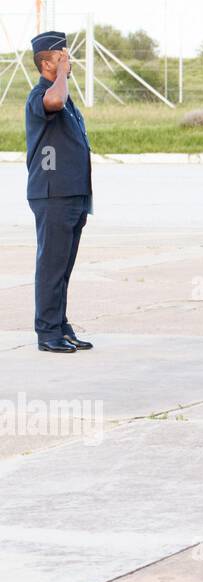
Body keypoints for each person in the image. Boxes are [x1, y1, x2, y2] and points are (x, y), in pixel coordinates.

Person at [25, 31, 93, 354]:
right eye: (61, 56)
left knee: (63, 265)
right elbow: (56, 99)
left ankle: (60, 324)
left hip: (72, 195)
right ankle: (47, 331)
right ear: (47, 63)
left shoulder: (64, 97)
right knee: (51, 264)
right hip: (52, 194)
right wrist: (62, 75)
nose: (67, 59)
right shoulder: (41, 95)